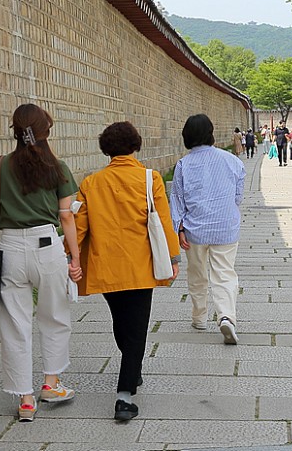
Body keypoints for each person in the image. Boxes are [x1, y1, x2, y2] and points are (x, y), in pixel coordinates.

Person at [73, 121, 180, 422]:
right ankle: (124, 396)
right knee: (137, 328)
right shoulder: (150, 178)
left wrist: (70, 257)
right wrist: (173, 258)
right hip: (140, 266)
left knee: (122, 322)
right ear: (136, 145)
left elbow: (79, 227)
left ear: (106, 149)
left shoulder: (91, 183)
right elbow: (163, 219)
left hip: (105, 266)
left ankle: (132, 369)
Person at [0, 103, 82, 423]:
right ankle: (51, 384)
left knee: (14, 323)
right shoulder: (59, 168)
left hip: (9, 248)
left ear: (15, 130)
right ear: (45, 132)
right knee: (54, 315)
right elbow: (66, 216)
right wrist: (75, 256)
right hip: (47, 246)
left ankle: (26, 400)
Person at [170, 114, 246, 345]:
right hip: (226, 228)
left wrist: (179, 228)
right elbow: (237, 196)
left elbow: (177, 200)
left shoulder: (183, 164)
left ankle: (199, 317)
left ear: (187, 136)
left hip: (195, 230)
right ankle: (226, 317)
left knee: (197, 274)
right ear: (211, 133)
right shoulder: (232, 161)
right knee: (224, 273)